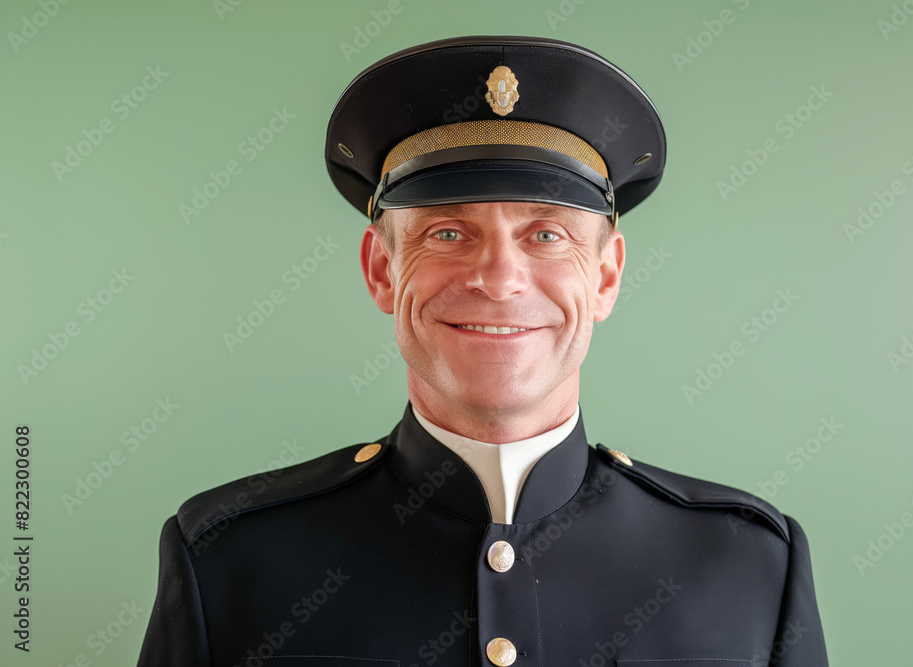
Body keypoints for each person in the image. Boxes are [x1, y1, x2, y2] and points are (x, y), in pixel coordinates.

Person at [138, 36, 828, 666]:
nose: (498, 279)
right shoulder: (233, 559)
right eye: (446, 233)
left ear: (606, 276)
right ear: (382, 271)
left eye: (546, 234)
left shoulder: (748, 564)